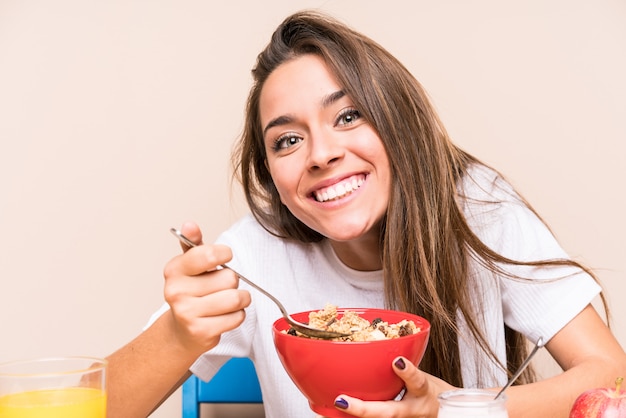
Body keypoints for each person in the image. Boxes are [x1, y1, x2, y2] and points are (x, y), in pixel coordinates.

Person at [105, 10, 626, 418]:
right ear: (272, 179)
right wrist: (178, 334)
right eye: (287, 140)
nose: (320, 153)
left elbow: (611, 374)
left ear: (398, 122)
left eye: (348, 115)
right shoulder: (252, 257)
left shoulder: (479, 209)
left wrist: (456, 411)